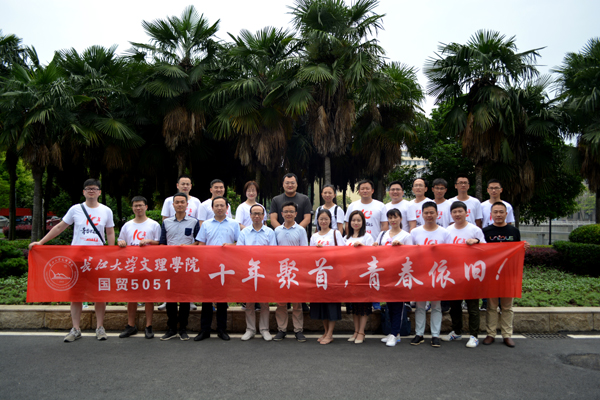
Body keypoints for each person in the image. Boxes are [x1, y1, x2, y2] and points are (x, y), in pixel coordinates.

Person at [29, 179, 115, 342]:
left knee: (99, 294)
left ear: (99, 192)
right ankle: (76, 328)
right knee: (76, 294)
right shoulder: (75, 209)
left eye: (94, 188)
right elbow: (59, 227)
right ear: (83, 192)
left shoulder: (106, 211)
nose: (91, 191)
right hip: (77, 258)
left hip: (98, 259)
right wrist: (41, 242)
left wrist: (110, 252)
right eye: (88, 188)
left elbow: (110, 232)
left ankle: (100, 327)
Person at [482, 202, 530, 348]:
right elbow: (481, 252)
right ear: (491, 214)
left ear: (506, 214)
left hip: (508, 274)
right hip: (491, 274)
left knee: (507, 307)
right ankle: (490, 334)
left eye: (501, 212)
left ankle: (507, 335)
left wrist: (523, 247)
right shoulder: (485, 231)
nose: (498, 214)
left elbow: (516, 252)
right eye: (495, 212)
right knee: (491, 306)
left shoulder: (514, 231)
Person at [194, 196, 240, 341]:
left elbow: (240, 243)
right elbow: (201, 245)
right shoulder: (206, 224)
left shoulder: (234, 224)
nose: (219, 208)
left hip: (227, 266)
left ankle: (222, 329)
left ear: (227, 208)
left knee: (222, 299)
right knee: (206, 299)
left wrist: (230, 246)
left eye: (222, 205)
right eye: (217, 206)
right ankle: (205, 330)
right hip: (209, 265)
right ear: (212, 208)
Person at [443, 201, 486, 348]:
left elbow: (486, 249)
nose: (457, 214)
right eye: (454, 212)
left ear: (466, 213)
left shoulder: (475, 230)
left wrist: (477, 242)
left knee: (472, 306)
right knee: (455, 305)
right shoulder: (447, 230)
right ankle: (456, 331)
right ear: (451, 214)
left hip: (471, 273)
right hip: (454, 273)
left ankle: (474, 336)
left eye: (460, 211)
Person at [117, 196, 161, 339]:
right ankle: (131, 325)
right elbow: (121, 240)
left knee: (149, 296)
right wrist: (121, 243)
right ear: (132, 208)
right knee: (131, 296)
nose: (138, 208)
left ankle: (148, 326)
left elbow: (160, 244)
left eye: (141, 205)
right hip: (131, 265)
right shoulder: (127, 225)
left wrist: (149, 241)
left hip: (148, 265)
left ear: (146, 207)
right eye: (135, 205)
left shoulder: (154, 224)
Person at [159, 192, 200, 341]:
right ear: (173, 205)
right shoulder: (166, 222)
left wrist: (188, 247)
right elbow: (162, 243)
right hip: (170, 265)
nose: (180, 204)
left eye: (183, 202)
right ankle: (171, 328)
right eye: (177, 202)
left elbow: (199, 242)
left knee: (184, 298)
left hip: (187, 265)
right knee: (170, 298)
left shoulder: (194, 222)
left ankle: (183, 328)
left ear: (187, 204)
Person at [410, 201, 452, 348]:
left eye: (431, 212)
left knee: (436, 305)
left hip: (438, 273)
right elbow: (409, 253)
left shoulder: (444, 232)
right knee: (420, 305)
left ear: (437, 214)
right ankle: (419, 334)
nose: (429, 215)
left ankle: (435, 335)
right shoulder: (415, 232)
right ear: (422, 215)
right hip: (420, 273)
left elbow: (450, 253)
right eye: (426, 213)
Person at [373, 208, 414, 347]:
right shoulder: (382, 234)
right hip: (385, 274)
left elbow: (411, 255)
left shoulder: (406, 236)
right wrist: (375, 246)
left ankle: (396, 333)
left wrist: (401, 247)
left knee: (398, 304)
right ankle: (393, 332)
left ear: (401, 218)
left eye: (395, 217)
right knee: (389, 304)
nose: (393, 220)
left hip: (399, 274)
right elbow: (377, 251)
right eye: (390, 218)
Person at [237, 204, 277, 341]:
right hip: (249, 271)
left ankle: (264, 329)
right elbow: (240, 252)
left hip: (264, 271)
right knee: (249, 302)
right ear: (250, 215)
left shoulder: (270, 232)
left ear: (264, 216)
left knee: (264, 302)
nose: (257, 216)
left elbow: (272, 252)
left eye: (259, 213)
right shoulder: (244, 232)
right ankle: (250, 329)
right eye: (254, 213)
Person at [273, 202, 308, 342]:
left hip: (295, 270)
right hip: (280, 270)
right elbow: (272, 251)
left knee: (297, 303)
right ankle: (281, 329)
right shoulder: (277, 230)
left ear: (296, 214)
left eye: (291, 211)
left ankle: (298, 330)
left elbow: (305, 251)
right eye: (286, 211)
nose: (288, 214)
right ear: (281, 214)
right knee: (281, 303)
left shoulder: (301, 230)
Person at [309, 209, 346, 344]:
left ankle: (330, 333)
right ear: (317, 221)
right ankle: (325, 331)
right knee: (322, 304)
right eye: (321, 219)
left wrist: (327, 251)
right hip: (319, 275)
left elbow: (343, 252)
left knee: (332, 303)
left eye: (326, 219)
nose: (323, 221)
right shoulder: (314, 236)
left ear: (331, 220)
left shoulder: (336, 234)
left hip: (332, 274)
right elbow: (310, 256)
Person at [344, 210, 375, 344]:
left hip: (363, 275)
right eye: (353, 220)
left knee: (363, 305)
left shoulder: (367, 237)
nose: (355, 223)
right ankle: (356, 331)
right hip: (349, 275)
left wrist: (363, 248)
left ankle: (362, 332)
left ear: (363, 222)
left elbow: (372, 255)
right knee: (354, 305)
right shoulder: (346, 238)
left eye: (358, 220)